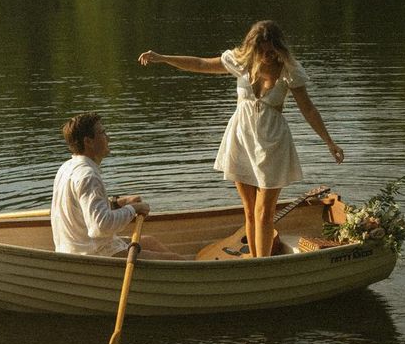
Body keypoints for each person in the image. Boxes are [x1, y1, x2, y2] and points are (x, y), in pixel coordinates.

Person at [138, 20, 344, 258]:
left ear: (279, 47)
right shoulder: (241, 62)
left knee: (265, 212)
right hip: (241, 139)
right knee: (249, 211)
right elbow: (201, 63)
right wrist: (163, 57)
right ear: (253, 48)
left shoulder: (289, 69)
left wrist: (329, 141)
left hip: (273, 143)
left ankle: (262, 264)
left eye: (271, 50)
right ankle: (256, 263)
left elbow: (308, 109)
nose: (267, 56)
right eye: (262, 51)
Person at [51, 113, 185, 260]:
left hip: (77, 248)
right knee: (175, 260)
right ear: (88, 141)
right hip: (94, 254)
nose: (108, 138)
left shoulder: (66, 167)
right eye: (102, 133)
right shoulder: (88, 176)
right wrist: (133, 209)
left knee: (149, 241)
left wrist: (117, 203)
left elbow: (85, 209)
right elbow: (101, 227)